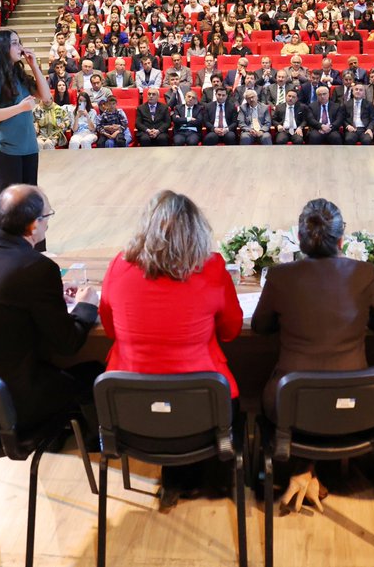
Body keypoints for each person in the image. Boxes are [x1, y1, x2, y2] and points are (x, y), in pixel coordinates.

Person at [98, 190, 242, 509]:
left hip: (129, 411)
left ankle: (175, 479)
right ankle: (212, 477)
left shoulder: (119, 266)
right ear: (197, 231)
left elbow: (110, 330)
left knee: (165, 403)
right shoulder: (213, 267)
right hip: (205, 408)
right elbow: (231, 331)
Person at [251, 198, 374, 510]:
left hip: (289, 405)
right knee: (325, 393)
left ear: (299, 239)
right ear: (342, 239)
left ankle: (303, 469)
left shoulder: (279, 276)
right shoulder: (364, 272)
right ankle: (308, 471)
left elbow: (261, 327)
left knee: (303, 395)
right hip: (355, 404)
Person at [0, 185, 102, 439]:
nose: (48, 224)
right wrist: (87, 306)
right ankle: (91, 443)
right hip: (2, 407)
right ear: (33, 225)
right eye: (47, 217)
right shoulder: (37, 267)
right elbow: (67, 343)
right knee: (94, 371)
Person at [0, 29, 50, 244]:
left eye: (20, 42)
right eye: (15, 43)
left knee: (31, 199)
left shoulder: (18, 72)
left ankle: (35, 245)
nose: (20, 47)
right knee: (7, 198)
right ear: (2, 47)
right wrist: (19, 108)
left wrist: (34, 65)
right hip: (4, 146)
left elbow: (45, 97)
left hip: (27, 144)